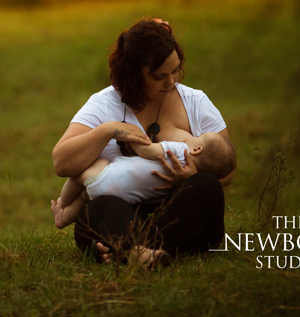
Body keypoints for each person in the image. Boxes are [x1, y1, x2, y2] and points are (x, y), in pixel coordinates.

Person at [51, 17, 236, 268]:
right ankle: (141, 249)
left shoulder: (196, 101)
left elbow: (226, 168)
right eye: (159, 76)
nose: (171, 82)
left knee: (206, 185)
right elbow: (61, 163)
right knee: (100, 206)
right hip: (124, 215)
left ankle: (124, 248)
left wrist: (188, 177)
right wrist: (108, 131)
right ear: (134, 74)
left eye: (175, 71)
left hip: (177, 212)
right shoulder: (104, 104)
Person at [50, 131, 234, 229]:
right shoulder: (181, 182)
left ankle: (62, 204)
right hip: (121, 198)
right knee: (85, 197)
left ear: (197, 149)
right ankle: (65, 218)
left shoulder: (179, 150)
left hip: (106, 176)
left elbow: (148, 151)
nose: (192, 137)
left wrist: (135, 139)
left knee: (79, 175)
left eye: (197, 137)